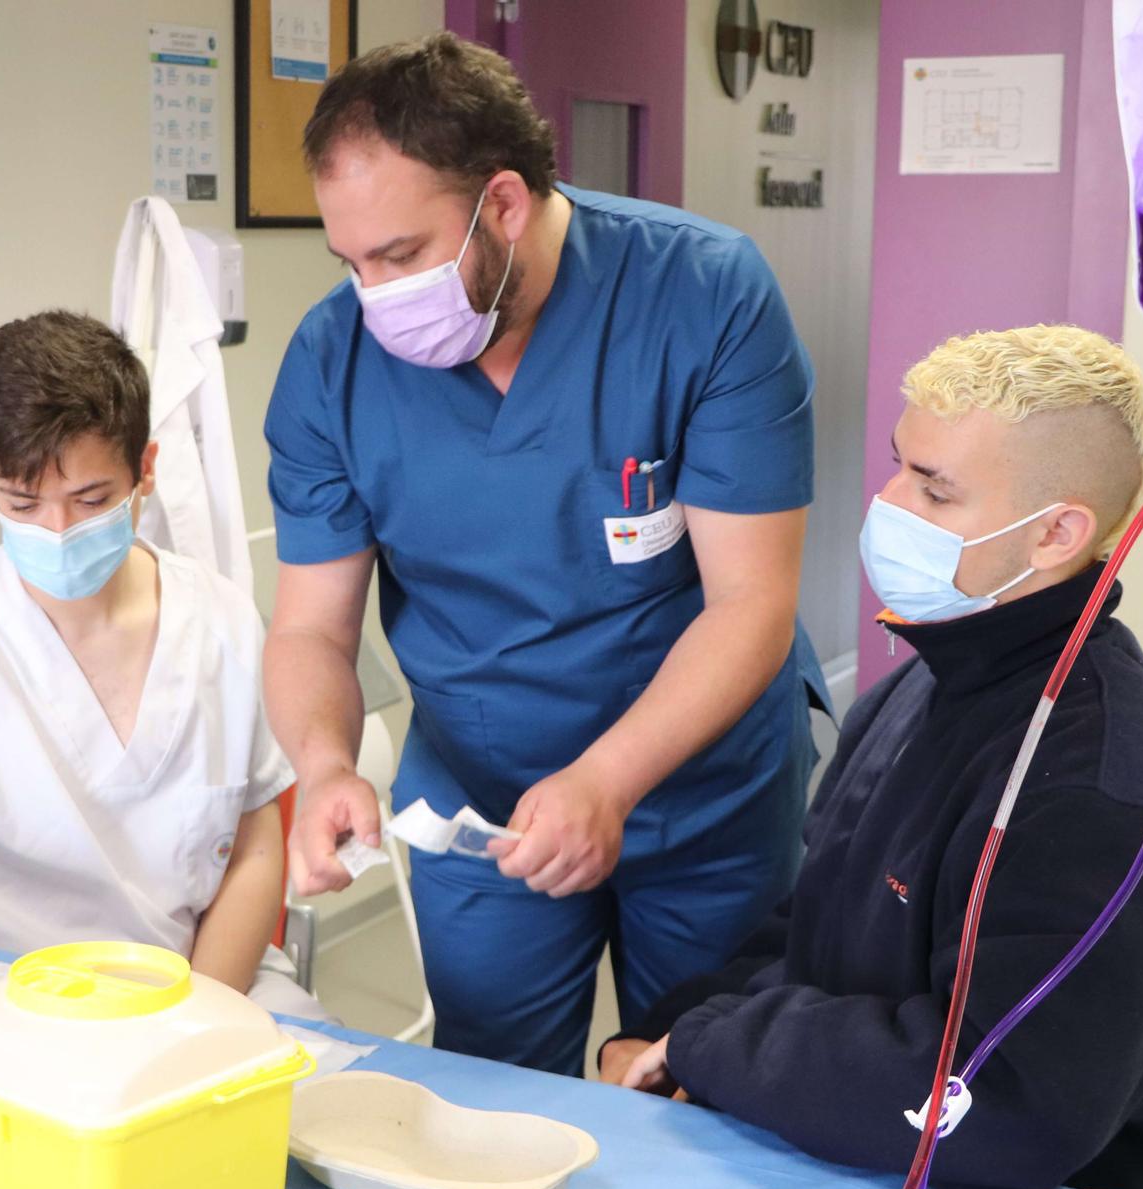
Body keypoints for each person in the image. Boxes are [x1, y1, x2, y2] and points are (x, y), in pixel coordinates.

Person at [262, 34, 830, 1076]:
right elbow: (308, 626)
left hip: (704, 793)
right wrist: (325, 762)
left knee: (706, 1091)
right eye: (347, 262)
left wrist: (608, 779)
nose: (372, 295)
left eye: (397, 255)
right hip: (482, 796)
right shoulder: (328, 362)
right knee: (493, 1102)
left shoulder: (703, 297)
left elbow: (750, 605)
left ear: (504, 205)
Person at [600, 326, 1143, 1189]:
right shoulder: (919, 690)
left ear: (1056, 534)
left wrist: (714, 1047)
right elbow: (806, 927)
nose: (887, 502)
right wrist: (661, 1037)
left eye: (934, 489)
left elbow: (1009, 1102)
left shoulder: (1093, 787)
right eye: (899, 466)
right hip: (842, 1164)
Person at [0, 310, 324, 1020]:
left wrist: (195, 1023)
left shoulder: (221, 622)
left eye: (92, 499)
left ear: (146, 472)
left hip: (178, 993)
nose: (59, 531)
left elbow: (255, 853)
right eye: (23, 501)